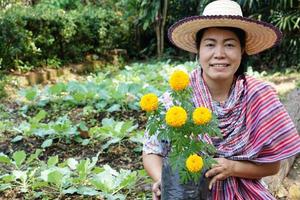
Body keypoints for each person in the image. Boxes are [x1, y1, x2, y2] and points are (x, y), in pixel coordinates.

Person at [142, 0, 300, 199]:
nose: (219, 54)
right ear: (198, 50)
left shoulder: (259, 96)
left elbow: (273, 165)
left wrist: (233, 167)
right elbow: (151, 151)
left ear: (242, 50)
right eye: (210, 44)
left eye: (229, 45)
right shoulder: (176, 100)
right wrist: (163, 181)